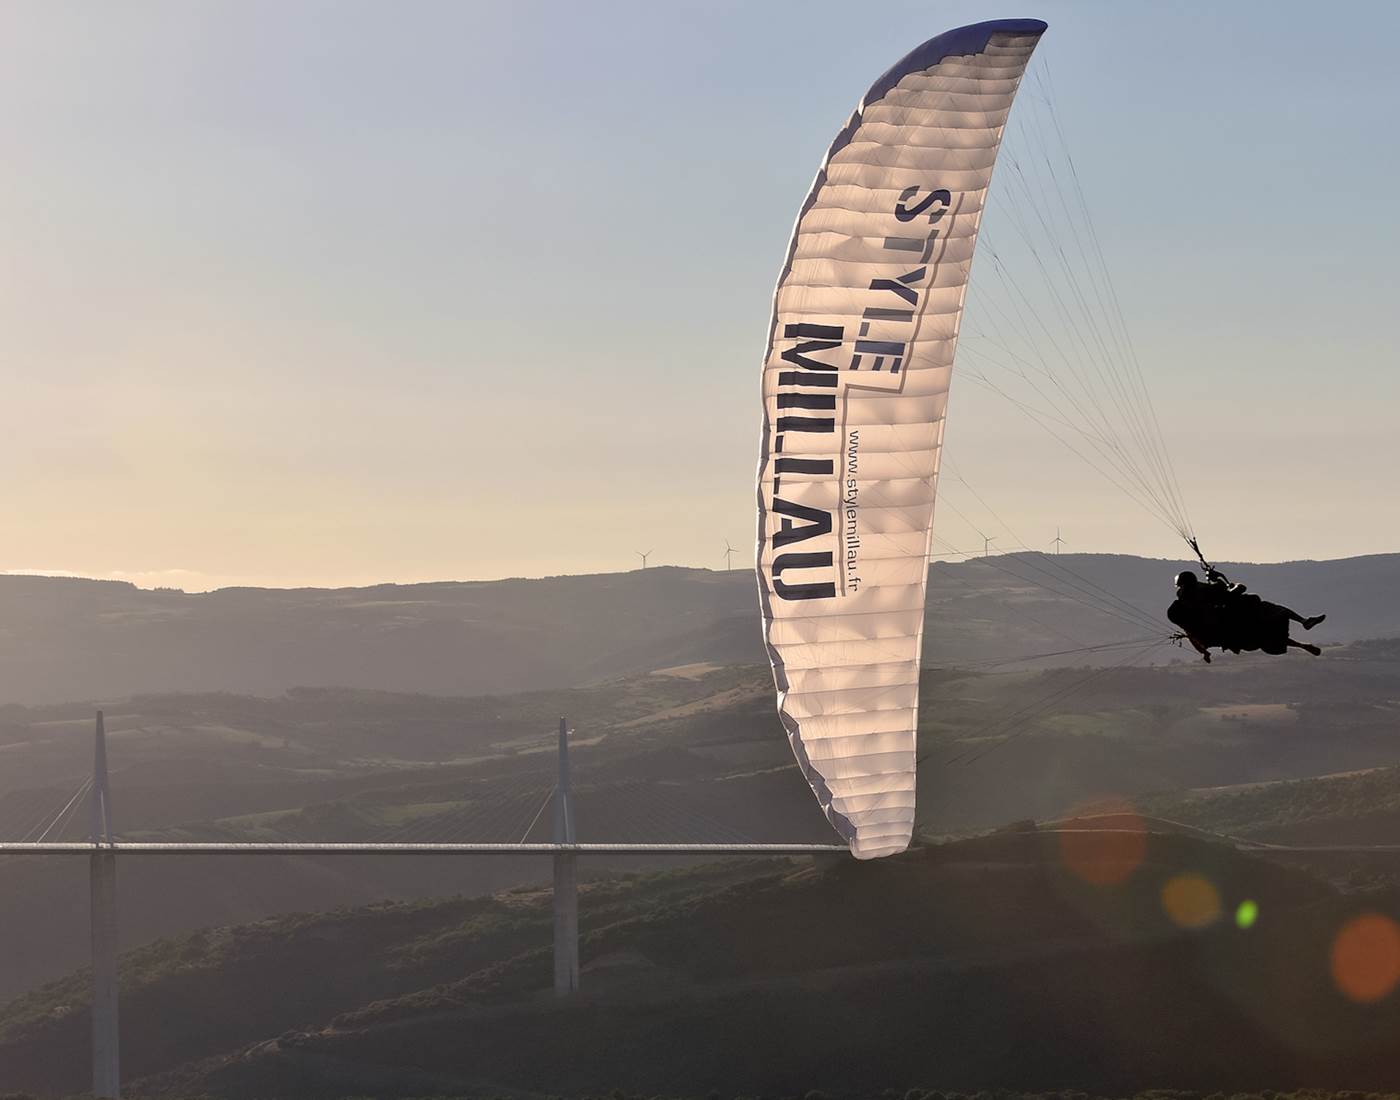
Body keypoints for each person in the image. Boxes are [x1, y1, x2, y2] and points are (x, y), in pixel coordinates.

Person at [1167, 569, 1325, 663]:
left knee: (1266, 632)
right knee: (1269, 614)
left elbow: (1191, 634)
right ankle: (1303, 623)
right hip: (1235, 627)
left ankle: (1303, 638)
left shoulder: (1183, 607)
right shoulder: (1205, 596)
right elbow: (1239, 588)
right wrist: (1219, 579)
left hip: (1231, 633)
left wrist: (1204, 652)